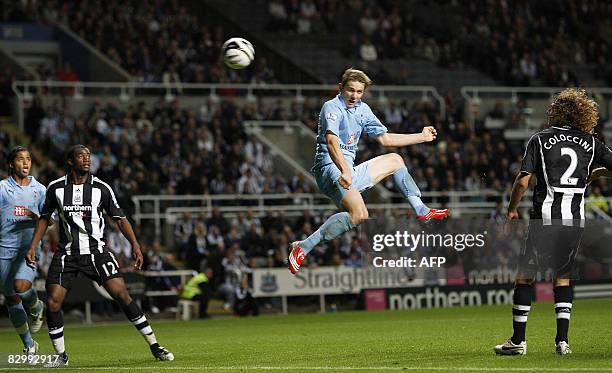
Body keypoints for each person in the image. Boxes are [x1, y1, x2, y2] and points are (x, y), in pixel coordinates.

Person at [288, 68, 449, 274]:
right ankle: (303, 247)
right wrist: (345, 170)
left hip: (348, 171)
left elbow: (386, 139)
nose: (354, 96)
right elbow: (331, 141)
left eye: (359, 92)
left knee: (395, 160)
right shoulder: (332, 107)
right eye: (350, 90)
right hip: (330, 168)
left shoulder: (363, 110)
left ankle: (421, 210)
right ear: (340, 88)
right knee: (361, 213)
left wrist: (421, 136)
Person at [26, 145, 174, 367]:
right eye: (81, 156)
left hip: (97, 252)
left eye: (88, 156)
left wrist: (135, 244)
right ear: (70, 161)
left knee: (122, 295)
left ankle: (155, 345)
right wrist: (33, 245)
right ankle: (61, 356)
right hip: (67, 254)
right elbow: (45, 218)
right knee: (54, 301)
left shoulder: (101, 188)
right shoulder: (56, 188)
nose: (86, 160)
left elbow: (120, 218)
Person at [494, 88, 612, 356]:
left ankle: (518, 341)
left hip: (544, 218)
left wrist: (511, 209)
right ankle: (562, 342)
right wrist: (595, 174)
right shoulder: (592, 143)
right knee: (563, 277)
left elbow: (523, 180)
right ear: (585, 114)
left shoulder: (540, 139)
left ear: (556, 111)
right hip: (574, 220)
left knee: (525, 277)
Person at [0, 146, 46, 355]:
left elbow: (50, 221)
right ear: (11, 164)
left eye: (28, 159)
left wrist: (33, 216)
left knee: (20, 286)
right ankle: (29, 345)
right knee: (11, 298)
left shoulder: (40, 189)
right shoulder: (2, 188)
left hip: (28, 249)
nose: (26, 163)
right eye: (21, 159)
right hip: (4, 249)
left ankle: (36, 306)